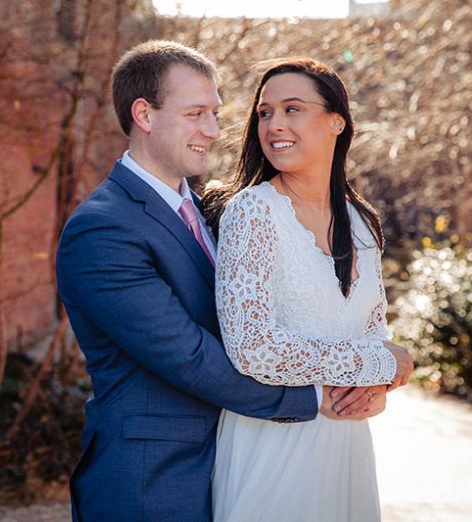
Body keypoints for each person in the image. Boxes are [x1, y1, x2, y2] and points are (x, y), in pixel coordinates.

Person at [56, 42, 390, 521]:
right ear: (144, 114)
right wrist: (325, 395)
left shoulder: (208, 210)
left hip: (235, 455)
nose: (213, 132)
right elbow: (191, 357)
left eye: (215, 113)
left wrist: (374, 377)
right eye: (196, 114)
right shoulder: (104, 228)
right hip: (154, 480)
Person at [203, 58, 414, 521]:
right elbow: (252, 349)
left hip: (346, 442)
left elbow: (373, 326)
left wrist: (377, 385)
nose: (274, 124)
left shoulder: (362, 221)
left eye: (292, 109)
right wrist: (385, 362)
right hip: (273, 442)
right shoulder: (251, 213)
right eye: (265, 112)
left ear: (336, 121)